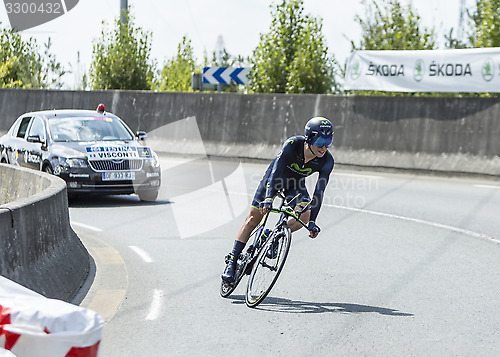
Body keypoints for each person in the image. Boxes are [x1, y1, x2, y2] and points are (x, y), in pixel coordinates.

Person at [221, 117, 335, 284]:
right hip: (275, 179)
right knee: (253, 218)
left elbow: (319, 192)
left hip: (295, 185)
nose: (324, 147)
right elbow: (275, 171)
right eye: (320, 141)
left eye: (328, 141)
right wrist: (268, 198)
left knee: (304, 216)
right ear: (309, 139)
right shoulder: (292, 144)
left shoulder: (327, 161)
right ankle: (232, 259)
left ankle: (273, 236)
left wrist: (312, 221)